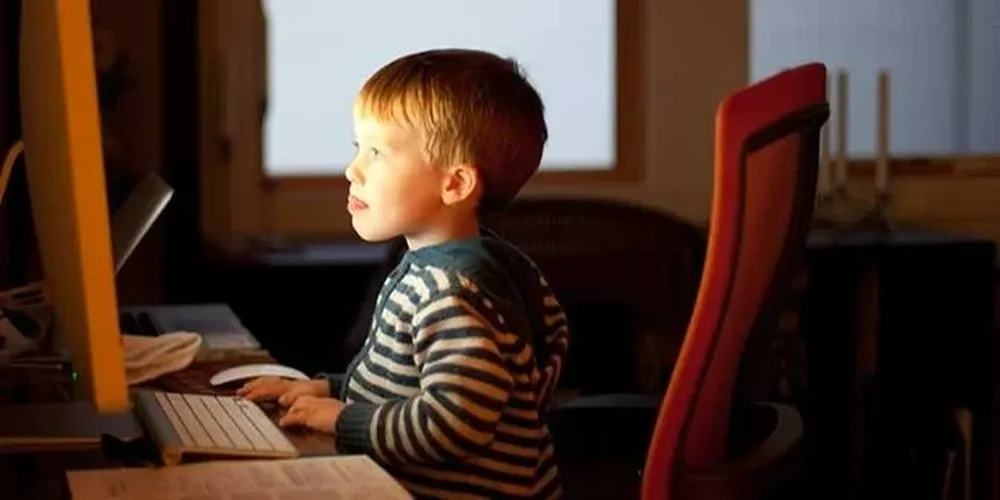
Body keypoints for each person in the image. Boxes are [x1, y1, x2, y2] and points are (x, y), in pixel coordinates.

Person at [239, 48, 570, 499]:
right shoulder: (475, 267)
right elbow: (410, 384)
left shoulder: (451, 291)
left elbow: (455, 422)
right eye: (359, 148)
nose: (352, 169)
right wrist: (321, 388)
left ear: (455, 184)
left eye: (377, 153)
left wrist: (341, 419)